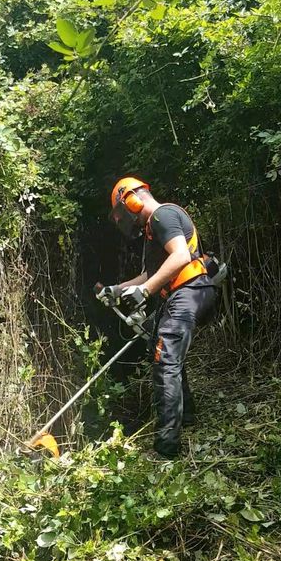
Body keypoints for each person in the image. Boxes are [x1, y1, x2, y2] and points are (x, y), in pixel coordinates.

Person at [97, 176, 217, 458]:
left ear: (132, 200)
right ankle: (186, 417)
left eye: (121, 212)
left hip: (190, 290)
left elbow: (180, 258)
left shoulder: (164, 215)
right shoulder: (154, 230)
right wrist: (118, 289)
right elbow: (151, 275)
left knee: (165, 360)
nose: (124, 219)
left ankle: (166, 449)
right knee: (163, 352)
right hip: (180, 293)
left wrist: (146, 292)